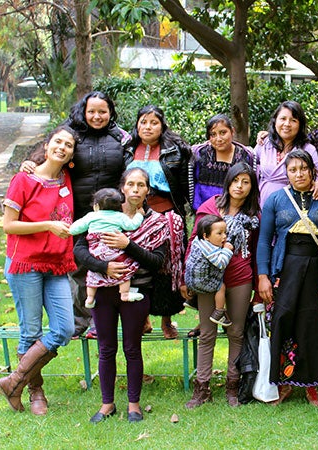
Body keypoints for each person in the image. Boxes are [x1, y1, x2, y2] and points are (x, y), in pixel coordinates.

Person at [22, 91, 132, 338]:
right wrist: (30, 163)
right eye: (91, 111)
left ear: (110, 113)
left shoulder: (121, 138)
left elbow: (130, 172)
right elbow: (51, 154)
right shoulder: (72, 134)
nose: (96, 116)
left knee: (110, 262)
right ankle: (80, 319)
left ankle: (105, 320)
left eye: (102, 111)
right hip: (75, 211)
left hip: (109, 215)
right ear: (83, 111)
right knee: (77, 265)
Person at [0, 125, 78, 416]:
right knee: (31, 331)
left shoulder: (68, 178)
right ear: (47, 145)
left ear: (72, 154)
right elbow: (8, 225)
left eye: (69, 145)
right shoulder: (23, 179)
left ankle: (14, 381)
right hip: (25, 262)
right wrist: (47, 225)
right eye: (58, 141)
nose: (62, 147)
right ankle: (34, 392)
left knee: (65, 328)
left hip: (56, 264)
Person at [74, 168, 170, 423]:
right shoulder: (102, 216)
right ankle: (107, 404)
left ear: (148, 190)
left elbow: (157, 261)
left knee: (132, 348)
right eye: (131, 184)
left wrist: (128, 245)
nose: (136, 189)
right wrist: (104, 267)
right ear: (123, 188)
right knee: (106, 348)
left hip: (136, 291)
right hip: (103, 291)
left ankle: (133, 404)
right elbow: (80, 250)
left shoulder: (156, 223)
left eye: (141, 184)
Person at [256, 150, 318, 406]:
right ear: (286, 173)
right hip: (286, 269)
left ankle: (313, 386)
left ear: (313, 170)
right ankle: (284, 382)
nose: (299, 174)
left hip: (317, 271)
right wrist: (263, 275)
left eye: (304, 168)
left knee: (313, 324)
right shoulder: (276, 200)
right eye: (293, 170)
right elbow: (264, 241)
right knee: (283, 321)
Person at [186, 162, 261, 408]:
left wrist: (260, 281)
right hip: (209, 279)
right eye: (235, 180)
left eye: (246, 182)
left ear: (252, 187)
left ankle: (233, 385)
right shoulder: (210, 207)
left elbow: (258, 250)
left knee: (236, 332)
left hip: (239, 277)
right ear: (227, 181)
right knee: (207, 333)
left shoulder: (253, 216)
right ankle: (202, 387)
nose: (239, 186)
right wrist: (186, 276)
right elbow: (194, 241)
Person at [126, 105, 191, 339]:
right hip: (134, 217)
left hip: (166, 216)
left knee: (168, 268)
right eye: (143, 122)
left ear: (162, 125)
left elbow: (184, 185)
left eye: (154, 122)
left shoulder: (175, 150)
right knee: (137, 267)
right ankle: (142, 317)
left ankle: (167, 318)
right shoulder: (128, 148)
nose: (148, 127)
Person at [69, 188, 144, 308]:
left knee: (92, 271)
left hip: (95, 251)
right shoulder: (120, 216)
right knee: (125, 267)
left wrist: (69, 227)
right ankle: (124, 294)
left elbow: (74, 229)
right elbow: (132, 225)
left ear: (96, 206)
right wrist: (139, 215)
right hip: (113, 251)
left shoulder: (91, 216)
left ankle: (89, 298)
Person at [254, 101, 318, 206]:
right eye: (283, 119)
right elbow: (250, 170)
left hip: (293, 206)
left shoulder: (308, 149)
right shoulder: (264, 143)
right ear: (275, 121)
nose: (287, 124)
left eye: (293, 120)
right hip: (262, 202)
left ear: (300, 125)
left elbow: (317, 177)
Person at [190, 114, 255, 211]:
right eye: (213, 134)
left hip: (236, 212)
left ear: (232, 131)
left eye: (223, 133)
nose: (218, 139)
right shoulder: (199, 153)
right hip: (204, 211)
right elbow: (193, 183)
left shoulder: (246, 155)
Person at [185, 215, 234, 327]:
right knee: (221, 287)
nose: (224, 237)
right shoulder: (210, 249)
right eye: (219, 233)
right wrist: (227, 250)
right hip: (201, 283)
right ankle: (219, 312)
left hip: (190, 280)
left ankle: (192, 300)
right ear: (206, 236)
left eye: (225, 232)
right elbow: (221, 263)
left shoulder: (198, 241)